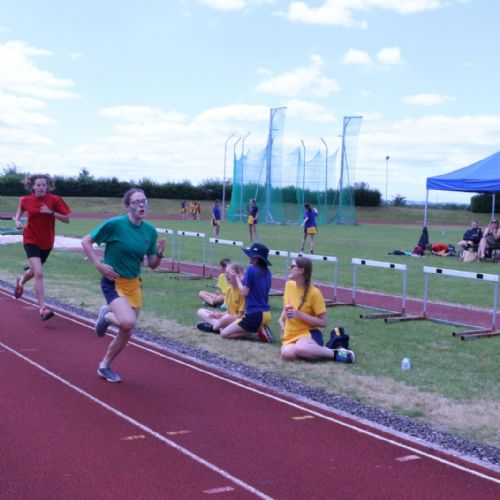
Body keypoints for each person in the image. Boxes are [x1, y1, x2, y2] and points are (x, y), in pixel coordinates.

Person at [81, 188, 166, 383]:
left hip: (133, 283)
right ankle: (106, 315)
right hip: (113, 281)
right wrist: (99, 265)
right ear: (128, 207)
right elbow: (86, 242)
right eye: (137, 202)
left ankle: (104, 365)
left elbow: (152, 264)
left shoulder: (149, 231)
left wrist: (160, 254)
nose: (142, 205)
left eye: (144, 201)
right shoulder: (114, 224)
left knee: (127, 330)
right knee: (128, 322)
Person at [13, 173, 71, 320]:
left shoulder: (55, 200)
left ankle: (21, 281)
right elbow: (19, 212)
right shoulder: (25, 200)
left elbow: (67, 219)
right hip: (30, 239)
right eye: (38, 185)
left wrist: (51, 212)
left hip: (47, 242)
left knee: (33, 271)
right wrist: (17, 221)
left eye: (44, 185)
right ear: (33, 186)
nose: (41, 187)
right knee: (39, 273)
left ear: (47, 186)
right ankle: (43, 309)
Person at [279, 257, 355, 363]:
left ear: (301, 270)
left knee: (301, 349)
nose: (289, 268)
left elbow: (324, 322)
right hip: (290, 335)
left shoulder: (314, 293)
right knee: (287, 354)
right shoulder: (289, 285)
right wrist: (281, 321)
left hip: (308, 334)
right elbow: (287, 306)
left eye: (292, 266)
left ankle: (335, 353)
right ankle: (314, 351)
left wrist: (299, 314)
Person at [220, 243, 274, 343]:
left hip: (255, 314)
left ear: (256, 258)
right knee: (227, 329)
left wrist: (236, 278)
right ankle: (258, 328)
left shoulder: (251, 269)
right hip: (267, 313)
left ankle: (255, 331)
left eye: (250, 255)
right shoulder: (268, 272)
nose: (248, 256)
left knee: (224, 333)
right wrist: (239, 277)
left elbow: (244, 292)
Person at [196, 263, 245, 333]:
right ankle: (220, 327)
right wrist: (220, 314)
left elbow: (240, 316)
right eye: (225, 273)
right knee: (200, 311)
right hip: (228, 318)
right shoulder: (229, 290)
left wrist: (225, 317)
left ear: (237, 275)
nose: (226, 275)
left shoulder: (242, 292)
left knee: (226, 318)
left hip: (237, 320)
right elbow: (229, 311)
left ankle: (215, 327)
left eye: (229, 273)